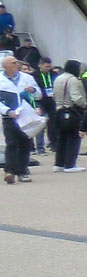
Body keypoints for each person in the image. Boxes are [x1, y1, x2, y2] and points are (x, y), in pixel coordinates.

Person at [1, 52, 37, 184]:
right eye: (13, 62)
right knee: (11, 143)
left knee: (25, 143)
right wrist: (8, 111)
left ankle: (22, 171)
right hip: (10, 117)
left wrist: (33, 90)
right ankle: (10, 171)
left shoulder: (27, 78)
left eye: (17, 62)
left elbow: (38, 94)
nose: (17, 64)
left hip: (26, 115)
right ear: (5, 66)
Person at [48, 59, 87, 171]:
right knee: (74, 137)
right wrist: (84, 105)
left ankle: (59, 163)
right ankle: (70, 164)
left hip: (59, 111)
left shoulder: (58, 78)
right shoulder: (73, 80)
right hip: (71, 111)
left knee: (62, 138)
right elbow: (76, 97)